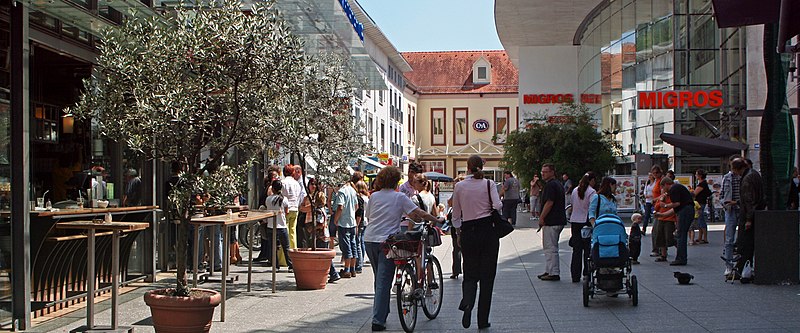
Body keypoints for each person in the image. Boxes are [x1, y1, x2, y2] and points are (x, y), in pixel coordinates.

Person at [363, 166, 441, 332]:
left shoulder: (374, 196)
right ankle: (378, 320)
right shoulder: (399, 197)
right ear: (395, 181)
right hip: (388, 242)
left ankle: (383, 312)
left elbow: (369, 216)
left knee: (379, 278)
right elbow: (418, 213)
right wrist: (437, 219)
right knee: (384, 281)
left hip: (369, 239)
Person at [452, 155, 501, 329]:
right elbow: (498, 205)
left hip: (468, 231)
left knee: (470, 273)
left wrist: (458, 232)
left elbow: (456, 215)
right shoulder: (489, 184)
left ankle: (468, 302)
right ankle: (482, 319)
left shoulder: (459, 186)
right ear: (482, 166)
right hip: (487, 231)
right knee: (488, 277)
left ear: (467, 167)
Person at [300, 178, 340, 282]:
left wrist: (312, 227)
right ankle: (331, 274)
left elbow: (320, 223)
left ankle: (333, 273)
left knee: (322, 255)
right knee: (320, 255)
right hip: (314, 230)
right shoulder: (308, 198)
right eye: (311, 184)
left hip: (319, 234)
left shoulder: (319, 210)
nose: (312, 186)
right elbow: (301, 208)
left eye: (314, 184)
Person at [732, 158, 766, 279]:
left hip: (748, 215)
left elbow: (749, 200)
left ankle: (742, 270)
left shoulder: (747, 178)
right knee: (748, 244)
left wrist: (748, 219)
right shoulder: (754, 173)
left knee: (745, 244)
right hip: (755, 213)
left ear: (737, 169)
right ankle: (745, 268)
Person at [538, 163, 567, 282]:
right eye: (542, 172)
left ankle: (553, 272)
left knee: (550, 247)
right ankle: (549, 269)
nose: (543, 174)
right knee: (550, 246)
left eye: (545, 172)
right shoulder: (558, 184)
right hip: (558, 219)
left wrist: (542, 217)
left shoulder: (550, 186)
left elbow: (549, 203)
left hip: (552, 220)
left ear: (552, 172)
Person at [568, 172, 596, 283]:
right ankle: (587, 273)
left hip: (575, 221)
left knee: (576, 250)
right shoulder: (592, 192)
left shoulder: (575, 190)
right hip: (586, 221)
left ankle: (575, 275)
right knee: (587, 250)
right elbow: (592, 207)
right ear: (591, 180)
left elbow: (572, 204)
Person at [659, 176, 694, 266]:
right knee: (681, 234)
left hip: (685, 211)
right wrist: (663, 215)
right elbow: (677, 208)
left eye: (663, 187)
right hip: (687, 209)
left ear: (666, 184)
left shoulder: (673, 189)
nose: (663, 190)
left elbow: (676, 204)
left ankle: (681, 258)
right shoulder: (678, 187)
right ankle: (681, 257)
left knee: (681, 234)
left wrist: (665, 206)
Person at [333, 172, 360, 278]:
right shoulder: (352, 190)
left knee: (346, 246)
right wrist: (351, 213)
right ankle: (353, 269)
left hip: (344, 223)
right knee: (353, 245)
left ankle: (347, 269)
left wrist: (336, 219)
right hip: (352, 222)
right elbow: (356, 206)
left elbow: (340, 207)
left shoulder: (342, 191)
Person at [263, 180, 292, 272]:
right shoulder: (284, 199)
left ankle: (275, 266)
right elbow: (287, 212)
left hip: (271, 226)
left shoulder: (268, 199)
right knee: (286, 247)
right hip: (281, 225)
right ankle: (290, 265)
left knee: (273, 247)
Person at [281, 164, 304, 250]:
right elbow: (299, 197)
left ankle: (284, 256)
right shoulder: (296, 183)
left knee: (285, 232)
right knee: (293, 231)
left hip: (286, 209)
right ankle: (294, 251)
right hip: (295, 208)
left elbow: (282, 196)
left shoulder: (283, 182)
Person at [448, 174, 466, 279]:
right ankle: (460, 270)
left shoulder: (458, 193)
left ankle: (456, 271)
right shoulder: (468, 193)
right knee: (461, 248)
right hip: (464, 221)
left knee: (457, 248)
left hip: (458, 222)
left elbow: (450, 203)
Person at [354, 181, 370, 274]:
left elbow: (359, 211)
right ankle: (361, 261)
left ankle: (359, 264)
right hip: (366, 221)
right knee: (362, 242)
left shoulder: (360, 198)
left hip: (360, 221)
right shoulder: (367, 198)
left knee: (358, 243)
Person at [649, 166, 665, 257]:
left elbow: (663, 194)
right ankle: (661, 248)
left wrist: (655, 199)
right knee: (658, 229)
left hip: (660, 207)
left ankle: (657, 249)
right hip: (657, 207)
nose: (655, 175)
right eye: (653, 173)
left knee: (656, 229)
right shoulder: (656, 181)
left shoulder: (661, 181)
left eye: (656, 173)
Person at [693, 169, 711, 244]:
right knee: (700, 219)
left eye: (696, 174)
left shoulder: (702, 184)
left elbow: (695, 193)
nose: (695, 175)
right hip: (701, 202)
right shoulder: (703, 183)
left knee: (701, 219)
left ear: (700, 176)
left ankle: (705, 238)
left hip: (700, 203)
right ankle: (700, 237)